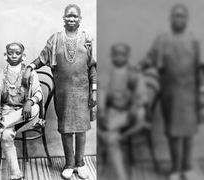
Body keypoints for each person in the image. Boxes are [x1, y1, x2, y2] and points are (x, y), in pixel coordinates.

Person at [22, 4, 97, 179]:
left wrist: (94, 90)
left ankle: (80, 163)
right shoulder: (55, 39)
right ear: (63, 18)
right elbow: (42, 58)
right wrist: (30, 67)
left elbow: (92, 67)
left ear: (80, 19)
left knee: (81, 130)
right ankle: (69, 164)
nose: (72, 19)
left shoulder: (87, 39)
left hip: (83, 91)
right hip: (63, 92)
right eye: (68, 16)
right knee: (66, 129)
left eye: (75, 16)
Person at [140, 4, 203, 180]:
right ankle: (176, 169)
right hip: (170, 94)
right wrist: (135, 69)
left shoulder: (194, 40)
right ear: (171, 19)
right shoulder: (162, 40)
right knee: (174, 133)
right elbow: (149, 58)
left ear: (187, 19)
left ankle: (188, 167)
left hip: (190, 93)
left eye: (182, 16)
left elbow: (201, 68)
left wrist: (201, 90)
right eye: (176, 16)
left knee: (189, 132)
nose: (179, 19)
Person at [0, 42, 43, 180]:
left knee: (36, 107)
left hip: (26, 116)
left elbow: (39, 93)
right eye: (10, 52)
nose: (14, 55)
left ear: (23, 56)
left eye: (17, 53)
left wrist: (29, 102)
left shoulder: (30, 73)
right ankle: (16, 175)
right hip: (7, 113)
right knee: (6, 135)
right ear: (5, 55)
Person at [99, 43, 149, 180]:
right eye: (116, 53)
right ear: (112, 55)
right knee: (110, 137)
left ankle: (117, 134)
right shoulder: (106, 75)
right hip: (114, 112)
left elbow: (143, 95)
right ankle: (122, 176)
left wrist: (136, 104)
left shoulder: (134, 74)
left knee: (140, 113)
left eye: (123, 54)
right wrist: (102, 111)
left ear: (127, 56)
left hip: (131, 113)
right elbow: (101, 96)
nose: (119, 57)